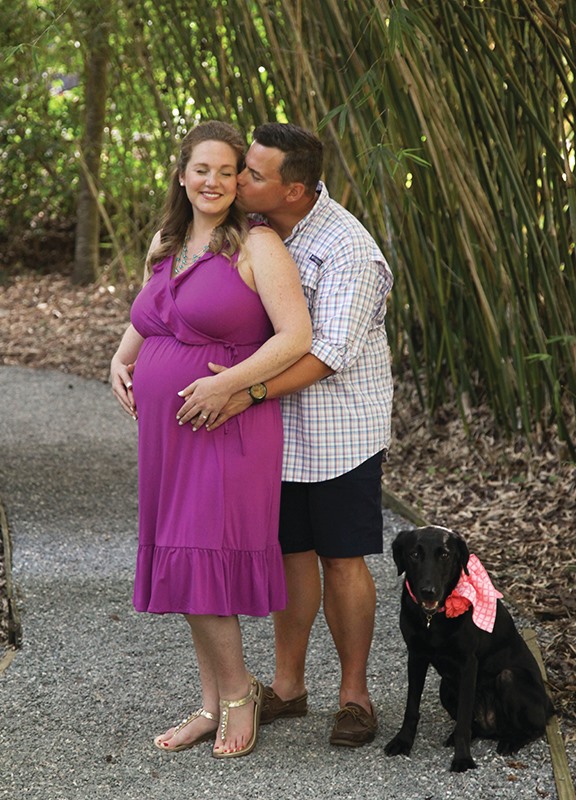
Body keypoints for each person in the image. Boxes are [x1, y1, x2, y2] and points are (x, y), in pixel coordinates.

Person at [109, 121, 311, 758]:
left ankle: (236, 696)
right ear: (182, 174)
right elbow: (151, 311)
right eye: (203, 169)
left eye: (229, 172)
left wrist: (230, 388)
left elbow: (294, 338)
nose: (215, 182)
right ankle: (211, 701)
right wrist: (121, 357)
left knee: (202, 555)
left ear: (240, 181)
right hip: (169, 432)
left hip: (227, 424)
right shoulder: (166, 241)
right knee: (185, 555)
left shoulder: (257, 245)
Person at [204, 122, 394, 747]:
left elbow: (327, 353)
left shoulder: (349, 251)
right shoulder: (253, 230)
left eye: (253, 174)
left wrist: (244, 390)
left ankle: (355, 696)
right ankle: (288, 687)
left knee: (341, 556)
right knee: (290, 552)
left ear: (293, 191)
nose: (238, 179)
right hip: (275, 429)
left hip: (341, 428)